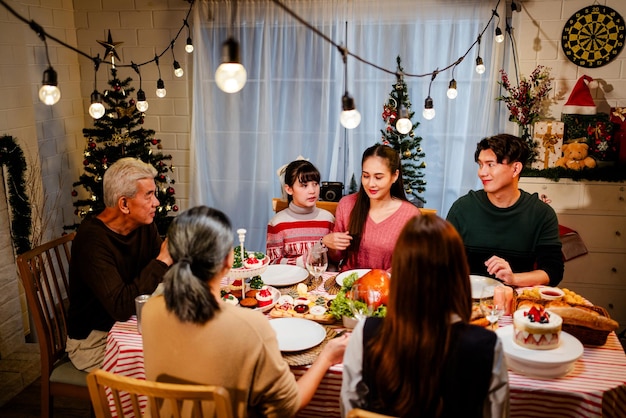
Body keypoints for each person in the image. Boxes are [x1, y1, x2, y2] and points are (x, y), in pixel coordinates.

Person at [141, 206, 348, 418]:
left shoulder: (150, 310)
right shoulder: (250, 326)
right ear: (228, 260)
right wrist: (326, 357)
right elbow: (288, 405)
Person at [341, 214, 509, 417]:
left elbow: (350, 410)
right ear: (458, 272)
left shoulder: (365, 333)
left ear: (400, 272)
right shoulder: (488, 346)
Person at [66, 157, 172, 371]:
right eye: (149, 195)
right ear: (124, 204)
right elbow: (122, 307)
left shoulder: (143, 224)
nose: (157, 203)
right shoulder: (92, 241)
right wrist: (163, 259)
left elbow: (162, 274)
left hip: (129, 325)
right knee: (168, 363)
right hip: (94, 343)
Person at [446, 134, 564, 287]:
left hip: (517, 301)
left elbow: (553, 271)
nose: (481, 172)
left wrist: (514, 279)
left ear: (515, 169)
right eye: (480, 165)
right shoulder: (462, 208)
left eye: (491, 164)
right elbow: (443, 262)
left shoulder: (542, 214)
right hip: (468, 300)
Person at [321, 144, 420, 271]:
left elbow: (413, 264)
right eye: (366, 176)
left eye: (378, 177)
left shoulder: (410, 214)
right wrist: (330, 244)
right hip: (349, 284)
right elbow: (336, 258)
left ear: (394, 176)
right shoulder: (347, 205)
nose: (371, 184)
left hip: (387, 286)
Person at [267, 160, 335, 267]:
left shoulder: (328, 219)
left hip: (323, 281)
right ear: (289, 189)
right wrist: (307, 259)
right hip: (289, 282)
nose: (312, 191)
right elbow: (272, 263)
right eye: (304, 185)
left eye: (315, 184)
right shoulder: (277, 223)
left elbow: (334, 260)